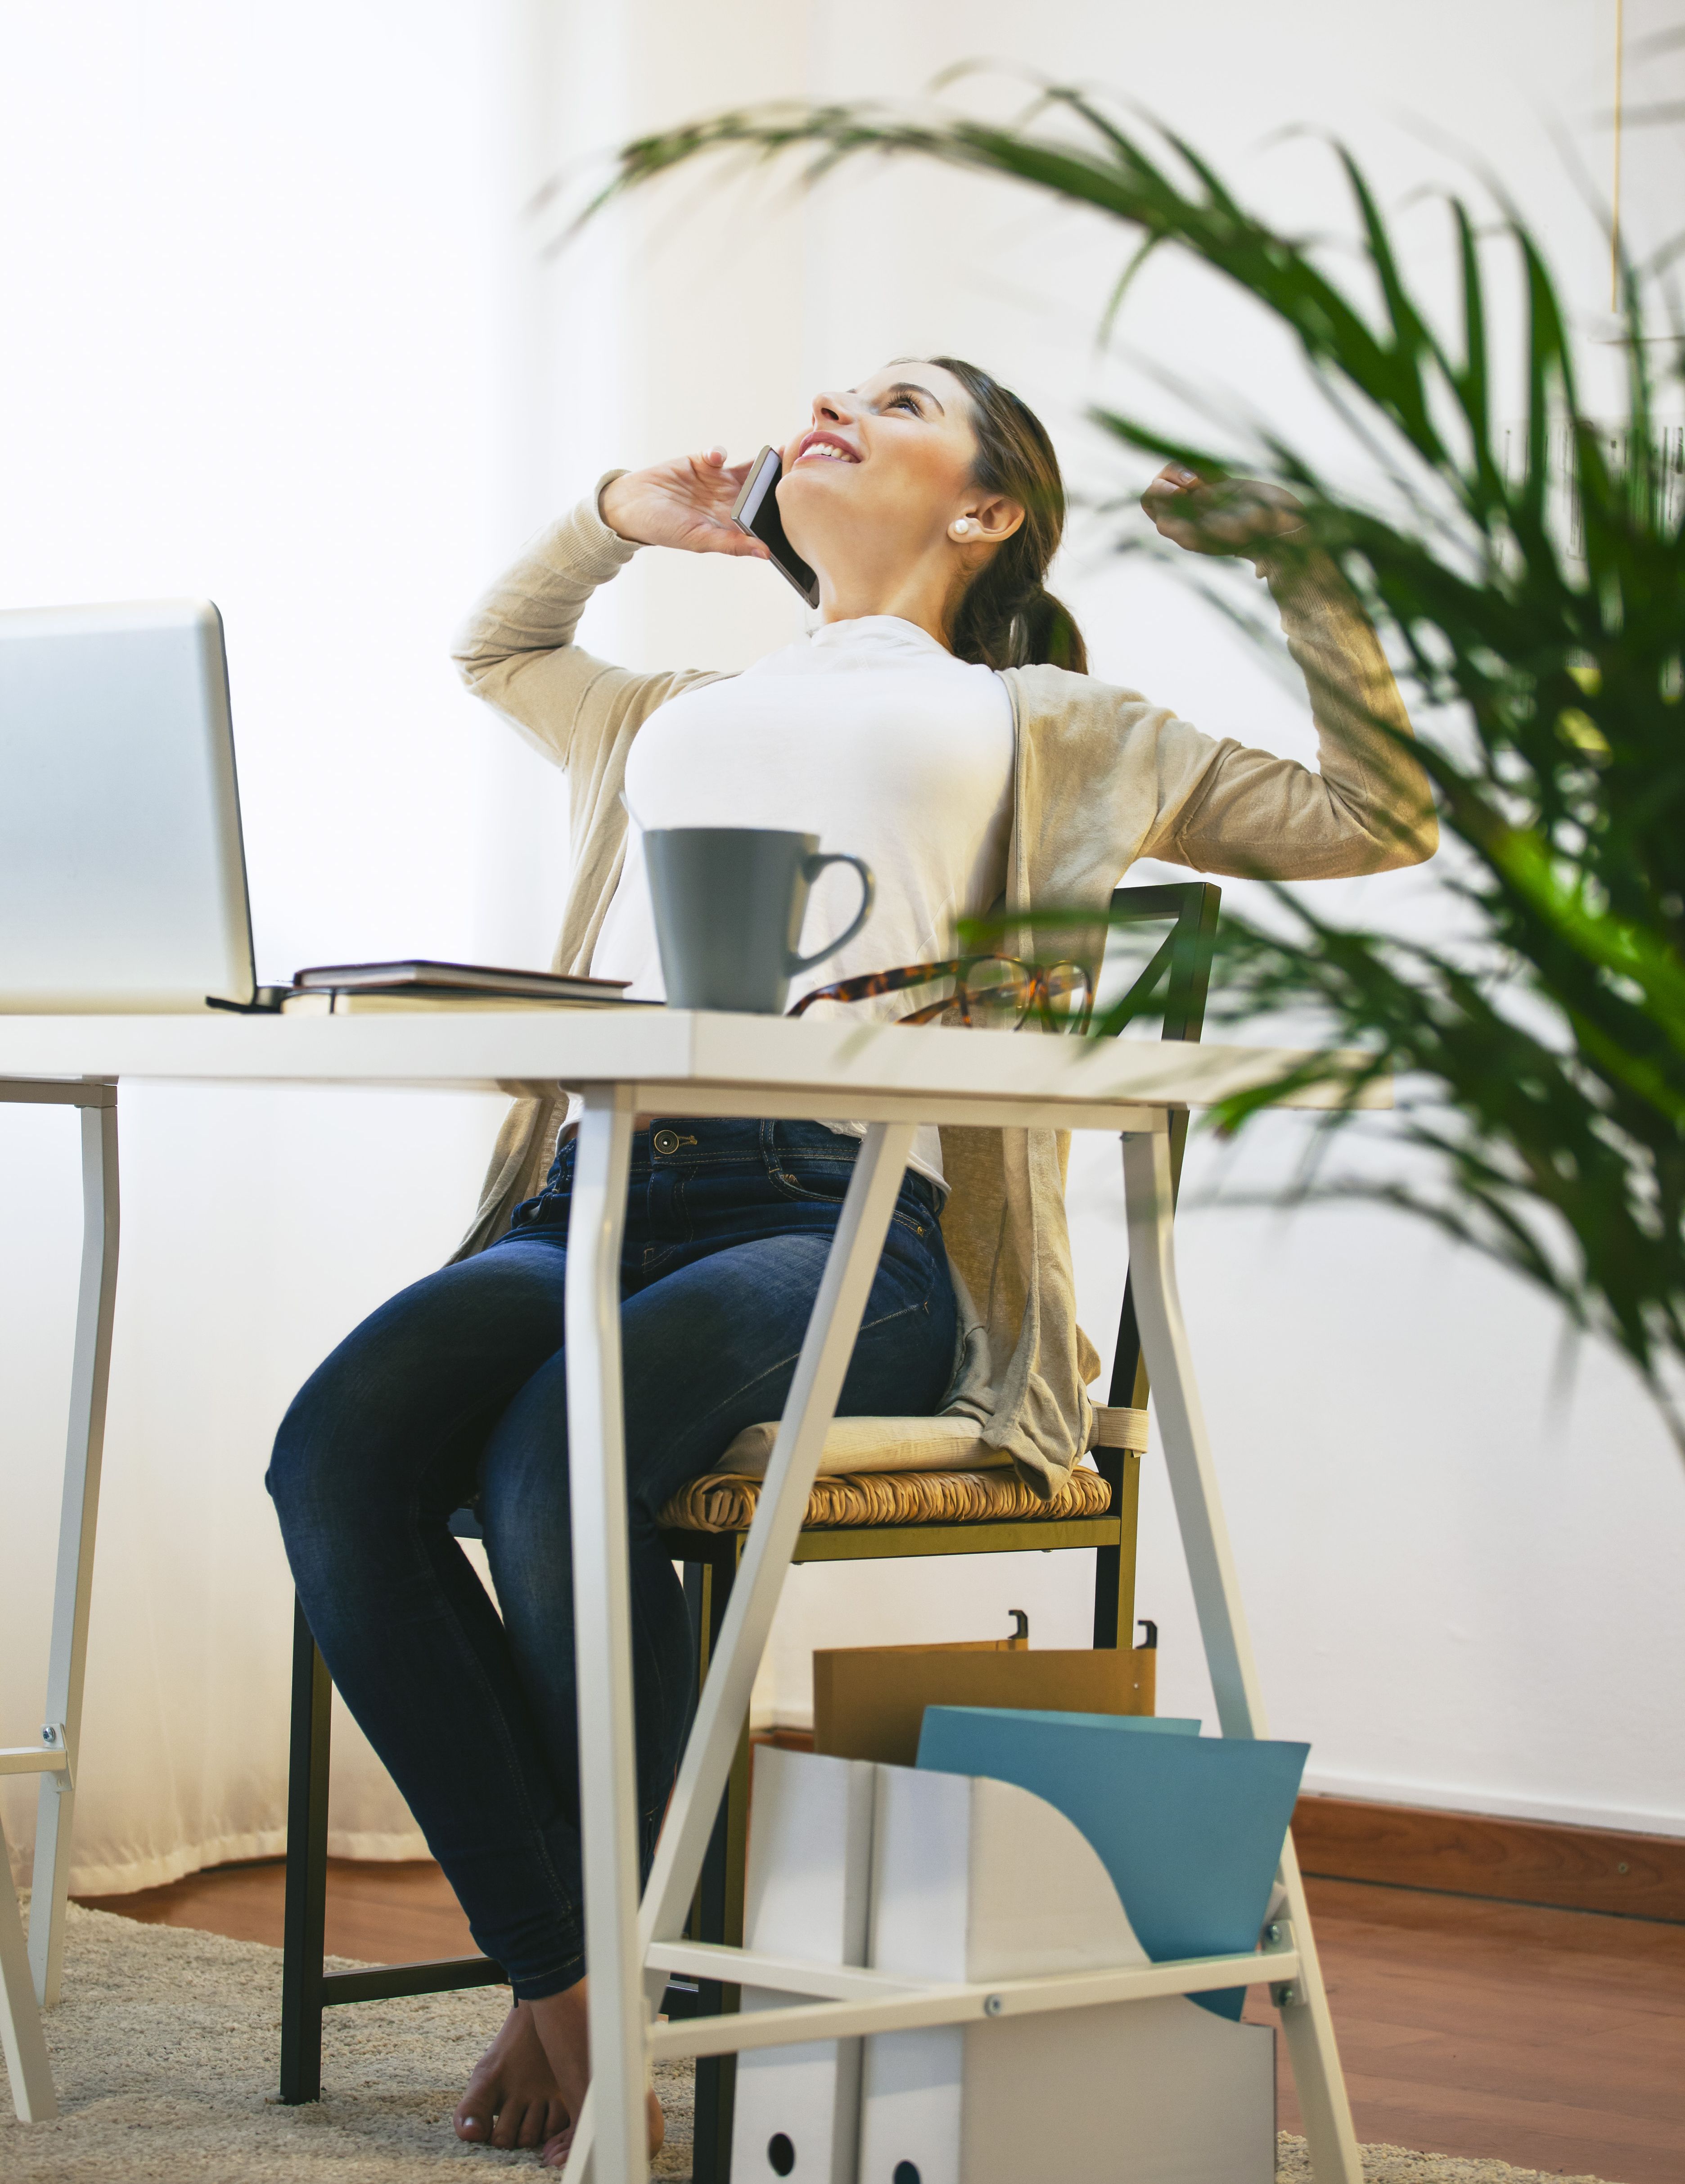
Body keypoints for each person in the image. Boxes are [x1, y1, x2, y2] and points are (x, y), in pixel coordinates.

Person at [267, 356, 1436, 2166]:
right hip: (602, 1191)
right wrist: (611, 521)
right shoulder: (670, 709)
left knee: (560, 1448)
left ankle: (599, 1983)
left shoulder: (1057, 722)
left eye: (897, 399)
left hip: (859, 1222)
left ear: (987, 512)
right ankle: (585, 1975)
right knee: (335, 1451)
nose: (833, 399)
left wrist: (1307, 571)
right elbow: (499, 652)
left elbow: (1377, 818)